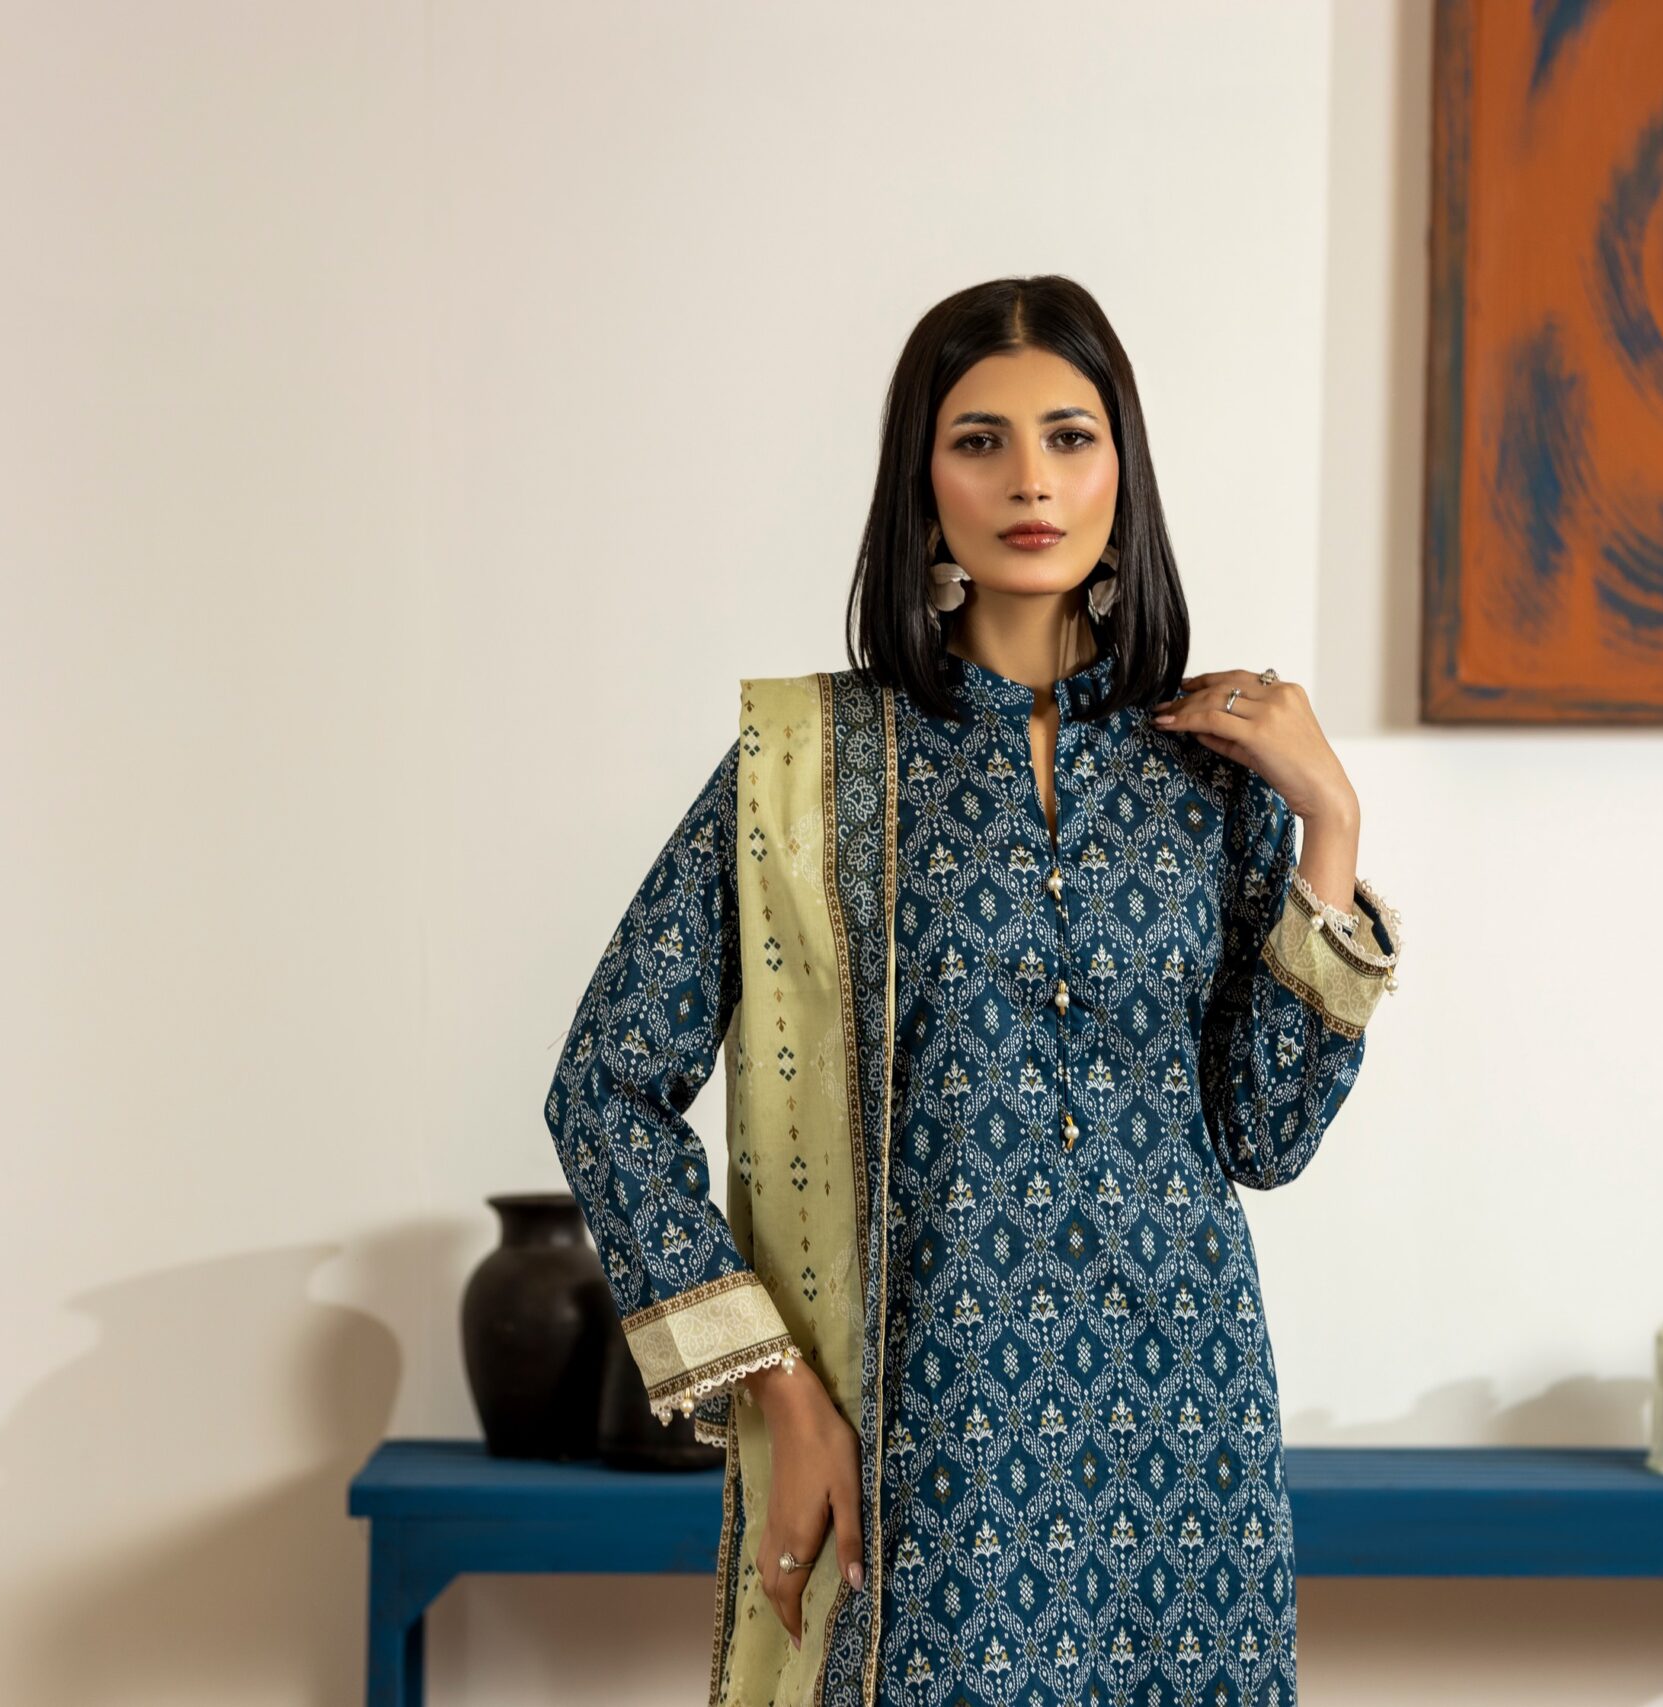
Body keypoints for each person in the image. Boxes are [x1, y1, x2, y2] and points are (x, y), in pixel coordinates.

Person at [541, 274, 1403, 1707]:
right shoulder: (812, 767)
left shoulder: (1214, 769)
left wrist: (1332, 827)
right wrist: (780, 1391)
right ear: (922, 480)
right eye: (980, 441)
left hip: (1185, 1441)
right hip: (926, 1436)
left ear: (1123, 469)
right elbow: (606, 1085)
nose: (1030, 483)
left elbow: (1264, 1136)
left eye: (1070, 438)